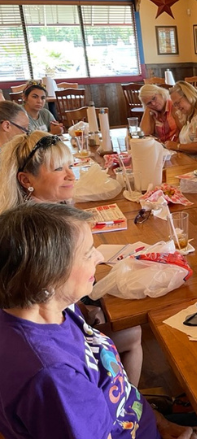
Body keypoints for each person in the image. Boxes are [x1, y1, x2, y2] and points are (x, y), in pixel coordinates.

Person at [0, 203, 197, 438]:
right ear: (47, 276)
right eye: (88, 253)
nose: (98, 257)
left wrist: (160, 422)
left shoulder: (55, 308)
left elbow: (120, 396)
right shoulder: (55, 379)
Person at [0, 131, 143, 387]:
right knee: (132, 328)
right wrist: (86, 313)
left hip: (59, 326)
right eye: (58, 169)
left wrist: (85, 309)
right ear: (25, 179)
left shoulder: (37, 217)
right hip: (55, 343)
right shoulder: (38, 238)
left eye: (70, 165)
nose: (70, 175)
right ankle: (126, 408)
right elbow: (44, 304)